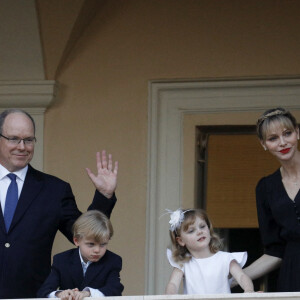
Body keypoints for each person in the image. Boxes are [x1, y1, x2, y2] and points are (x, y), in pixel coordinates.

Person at [0, 108, 118, 299]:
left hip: (33, 295)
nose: (22, 147)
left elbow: (83, 232)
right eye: (14, 138)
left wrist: (104, 196)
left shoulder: (54, 190)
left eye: (29, 140)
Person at [241, 107, 300, 292]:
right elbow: (275, 252)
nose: (282, 143)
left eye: (287, 133)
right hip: (293, 277)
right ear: (264, 144)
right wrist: (233, 279)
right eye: (273, 138)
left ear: (297, 132)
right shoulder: (266, 188)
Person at [37, 210, 123, 299]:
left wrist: (88, 293)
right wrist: (60, 294)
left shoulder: (113, 260)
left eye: (103, 244)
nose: (97, 250)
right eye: (91, 244)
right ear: (76, 241)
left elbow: (115, 289)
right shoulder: (61, 260)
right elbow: (44, 291)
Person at [165, 208, 254, 294]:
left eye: (202, 226)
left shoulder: (225, 258)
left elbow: (242, 276)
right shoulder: (183, 263)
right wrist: (169, 297)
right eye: (191, 231)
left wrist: (249, 290)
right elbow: (173, 284)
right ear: (181, 241)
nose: (199, 232)